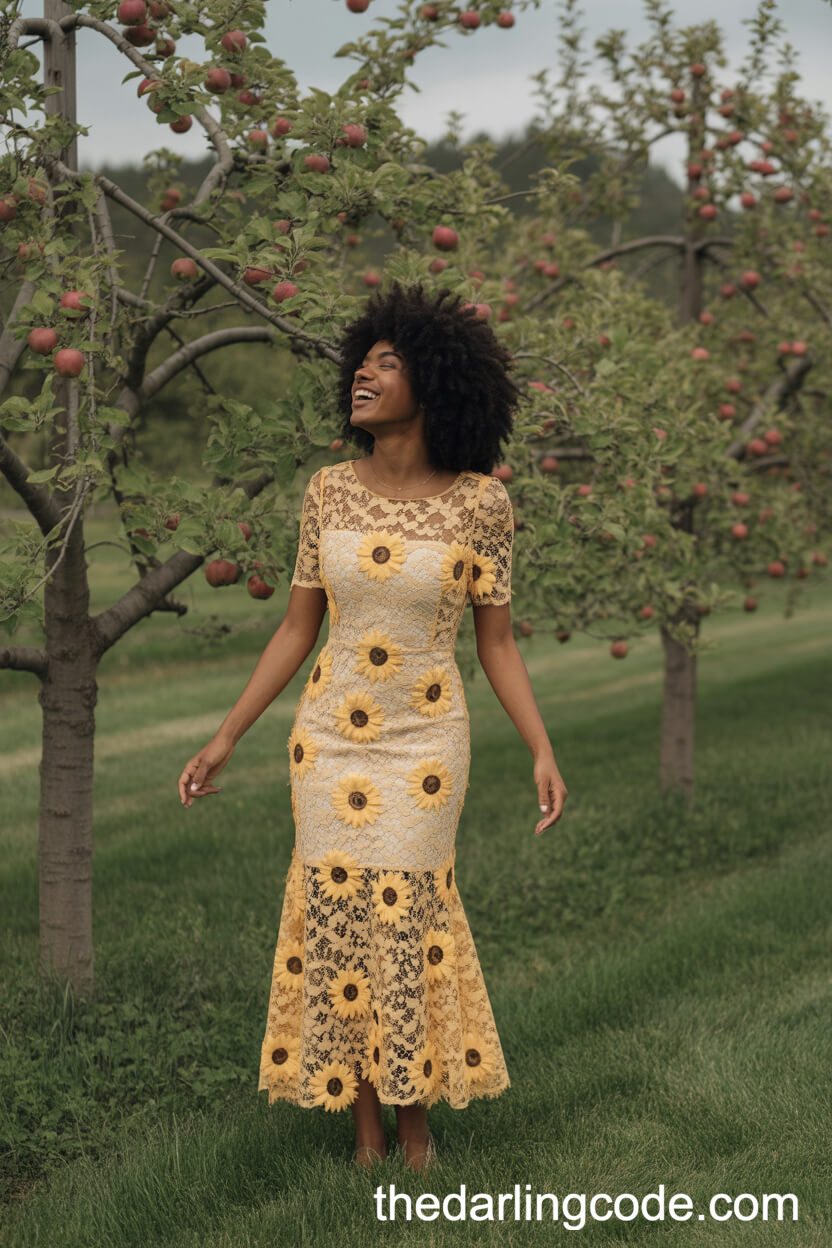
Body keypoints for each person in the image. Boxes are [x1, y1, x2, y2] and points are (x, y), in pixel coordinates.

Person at [177, 281, 568, 1173]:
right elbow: (295, 626)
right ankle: (362, 1136)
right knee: (338, 918)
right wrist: (227, 734)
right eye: (364, 360)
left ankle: (417, 1128)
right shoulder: (327, 493)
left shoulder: (480, 506)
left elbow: (497, 644)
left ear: (433, 384)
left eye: (388, 364)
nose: (364, 372)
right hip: (329, 738)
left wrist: (542, 747)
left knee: (406, 919)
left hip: (426, 744)